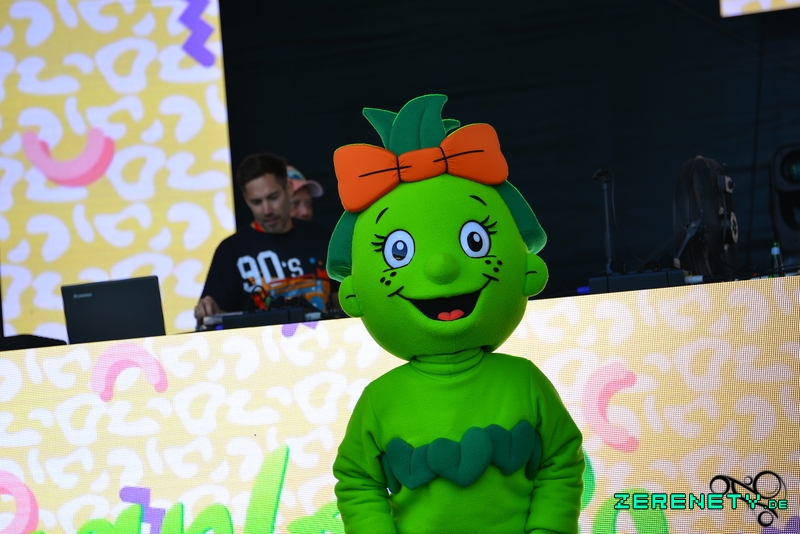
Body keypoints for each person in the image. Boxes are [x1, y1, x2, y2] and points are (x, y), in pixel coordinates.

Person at [327, 95, 583, 533]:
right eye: (398, 251)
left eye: (474, 240)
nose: (441, 267)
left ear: (529, 270)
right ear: (354, 294)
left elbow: (562, 460)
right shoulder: (379, 400)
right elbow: (357, 481)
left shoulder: (524, 381)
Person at [195, 153, 336, 325]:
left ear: (288, 189)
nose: (267, 210)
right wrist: (207, 309)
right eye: (256, 202)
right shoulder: (230, 251)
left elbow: (342, 301)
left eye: (273, 197)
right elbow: (214, 317)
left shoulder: (320, 237)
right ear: (246, 200)